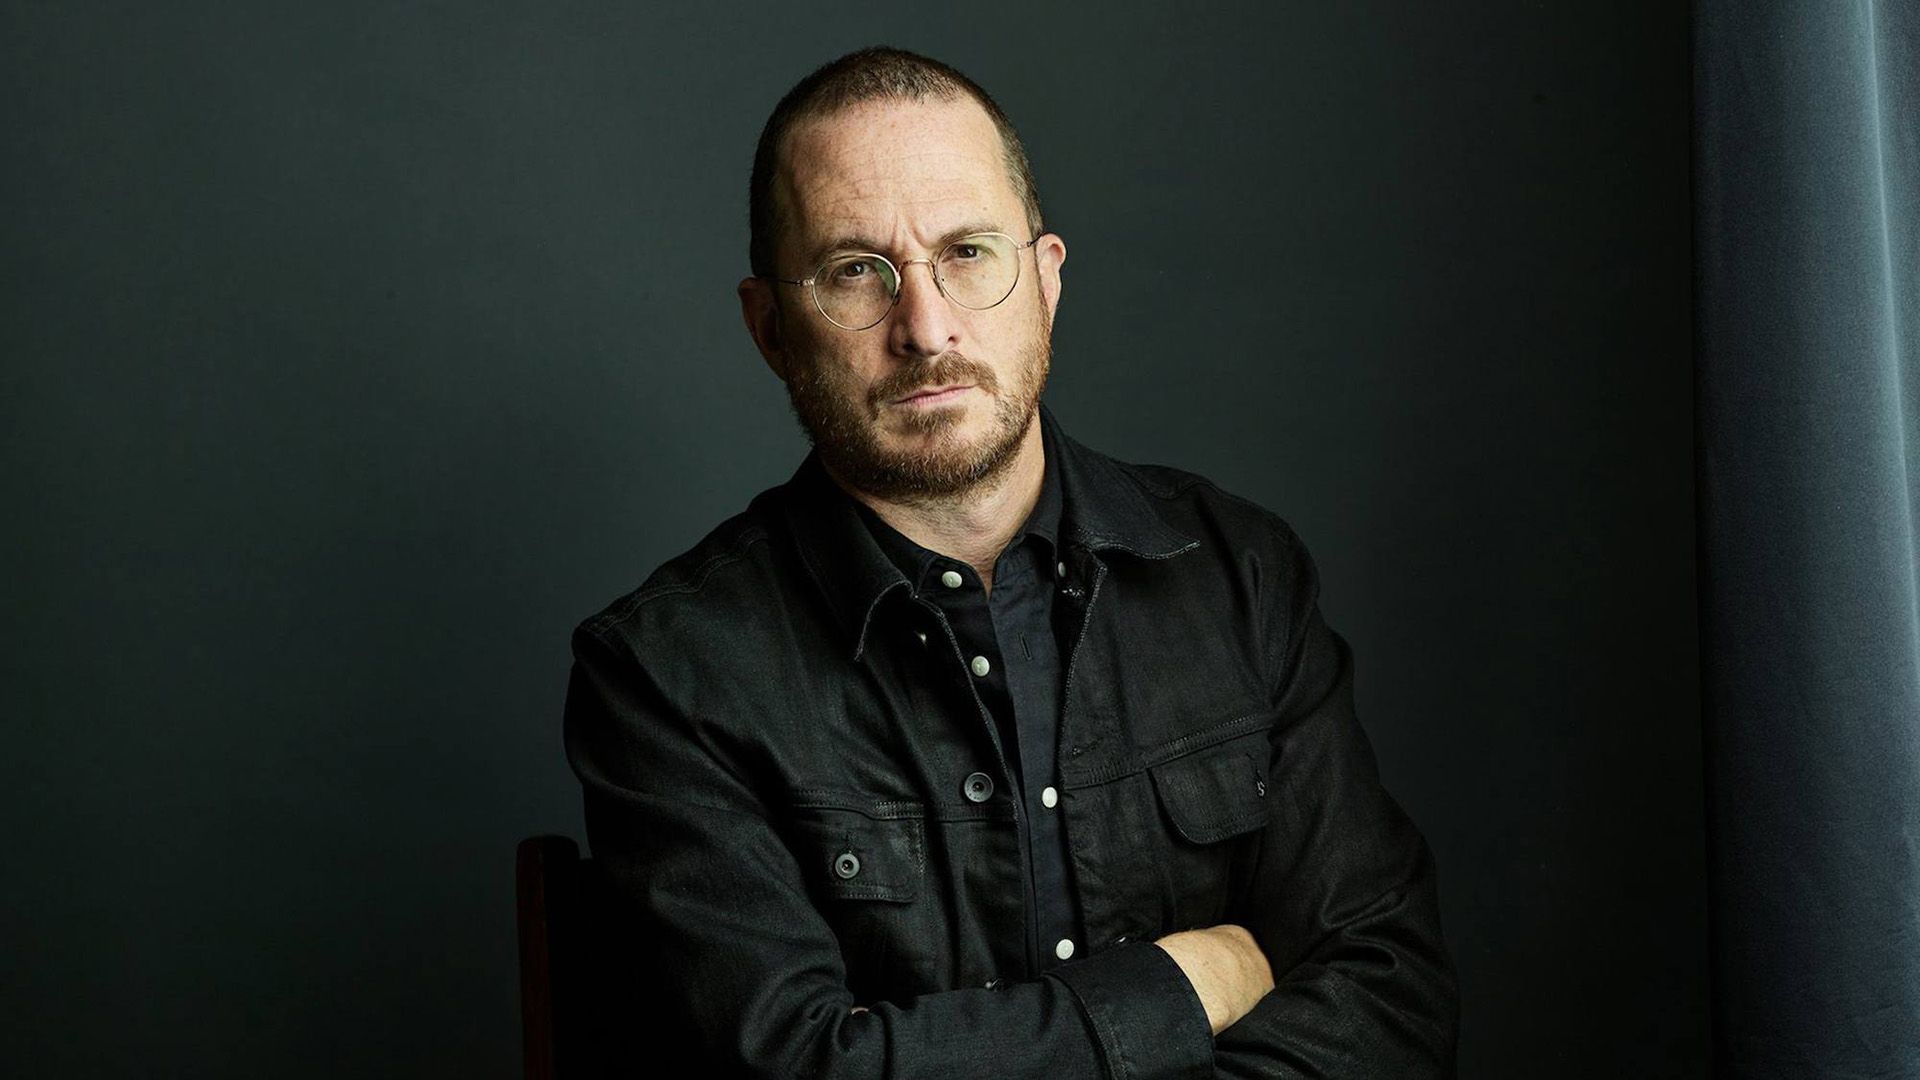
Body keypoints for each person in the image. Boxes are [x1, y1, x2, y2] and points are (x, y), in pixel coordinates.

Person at [563, 45, 1457, 1079]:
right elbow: (797, 1069)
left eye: (969, 254)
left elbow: (1392, 996)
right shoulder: (670, 674)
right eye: (858, 271)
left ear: (1045, 279)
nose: (926, 326)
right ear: (770, 328)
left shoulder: (1236, 574)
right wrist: (1177, 989)